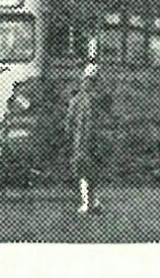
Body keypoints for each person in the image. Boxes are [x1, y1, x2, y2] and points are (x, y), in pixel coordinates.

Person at [66, 63, 102, 215]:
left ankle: (88, 203)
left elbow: (69, 122)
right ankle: (93, 202)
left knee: (83, 170)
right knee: (91, 170)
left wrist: (69, 137)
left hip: (81, 140)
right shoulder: (99, 99)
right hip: (93, 139)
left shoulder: (76, 100)